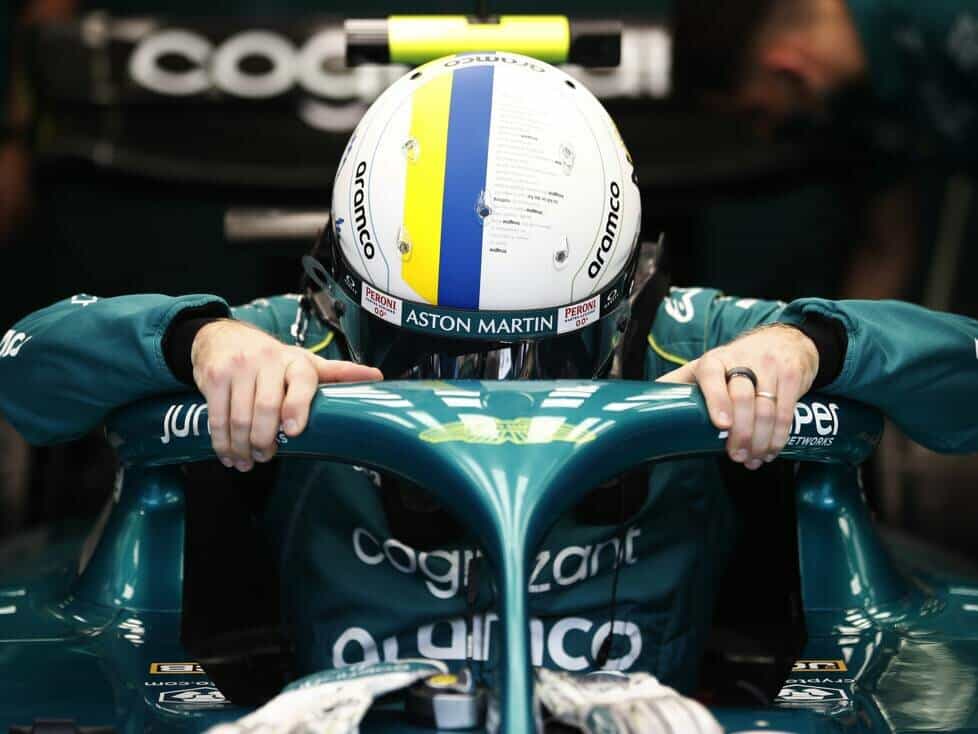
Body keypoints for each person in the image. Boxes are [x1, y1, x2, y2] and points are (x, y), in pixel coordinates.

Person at [1, 53, 976, 696]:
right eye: (436, 345)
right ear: (353, 290)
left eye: (532, 348)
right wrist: (197, 341)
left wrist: (812, 346)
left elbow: (960, 372)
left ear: (621, 291)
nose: (490, 384)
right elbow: (29, 371)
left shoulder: (700, 338)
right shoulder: (289, 344)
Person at [671, 0, 978, 161]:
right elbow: (885, 244)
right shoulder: (862, 104)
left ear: (785, 65)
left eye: (756, 113)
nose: (764, 131)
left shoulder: (948, 14)